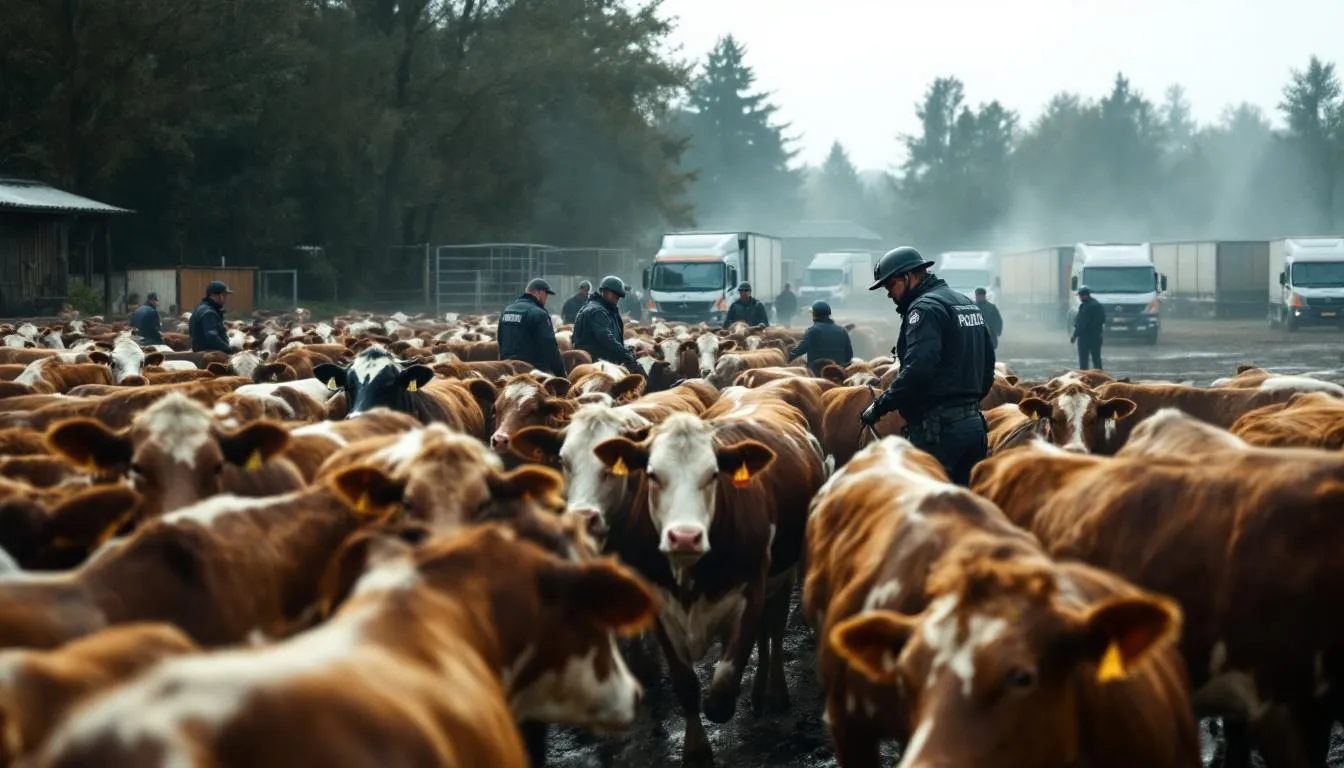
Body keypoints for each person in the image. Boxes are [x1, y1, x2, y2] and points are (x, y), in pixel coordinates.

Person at [859, 246, 995, 486]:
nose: (890, 294)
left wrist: (879, 406)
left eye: (891, 285)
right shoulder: (965, 303)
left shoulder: (924, 310)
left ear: (908, 276)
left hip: (938, 434)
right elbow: (988, 364)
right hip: (973, 428)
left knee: (929, 512)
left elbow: (919, 368)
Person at [498, 278, 567, 376]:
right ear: (540, 292)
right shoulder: (539, 313)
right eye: (546, 294)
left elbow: (500, 340)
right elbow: (550, 347)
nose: (546, 298)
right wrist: (561, 374)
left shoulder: (506, 310)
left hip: (508, 369)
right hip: (532, 371)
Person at [572, 275, 641, 373]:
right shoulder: (599, 311)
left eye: (618, 296)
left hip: (596, 359)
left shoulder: (597, 307)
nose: (617, 299)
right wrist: (625, 353)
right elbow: (605, 337)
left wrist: (624, 349)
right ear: (606, 292)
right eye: (616, 295)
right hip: (599, 362)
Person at [786, 300, 853, 376]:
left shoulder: (812, 330)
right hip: (839, 372)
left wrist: (788, 360)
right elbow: (849, 354)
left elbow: (800, 350)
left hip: (817, 373)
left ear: (814, 315)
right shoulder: (842, 331)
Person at [189, 280, 233, 353]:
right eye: (224, 295)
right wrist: (228, 349)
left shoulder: (201, 308)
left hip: (200, 351)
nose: (226, 298)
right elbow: (212, 335)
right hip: (210, 353)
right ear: (217, 296)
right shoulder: (209, 313)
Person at [1072, 285, 1106, 370]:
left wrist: (1074, 336)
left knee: (1083, 361)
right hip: (1097, 336)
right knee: (1096, 359)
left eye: (1080, 295)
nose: (1079, 297)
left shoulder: (1086, 307)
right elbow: (1102, 320)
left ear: (1084, 295)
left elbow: (1081, 324)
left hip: (1085, 337)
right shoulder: (1097, 304)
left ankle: (1084, 378)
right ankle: (1100, 377)